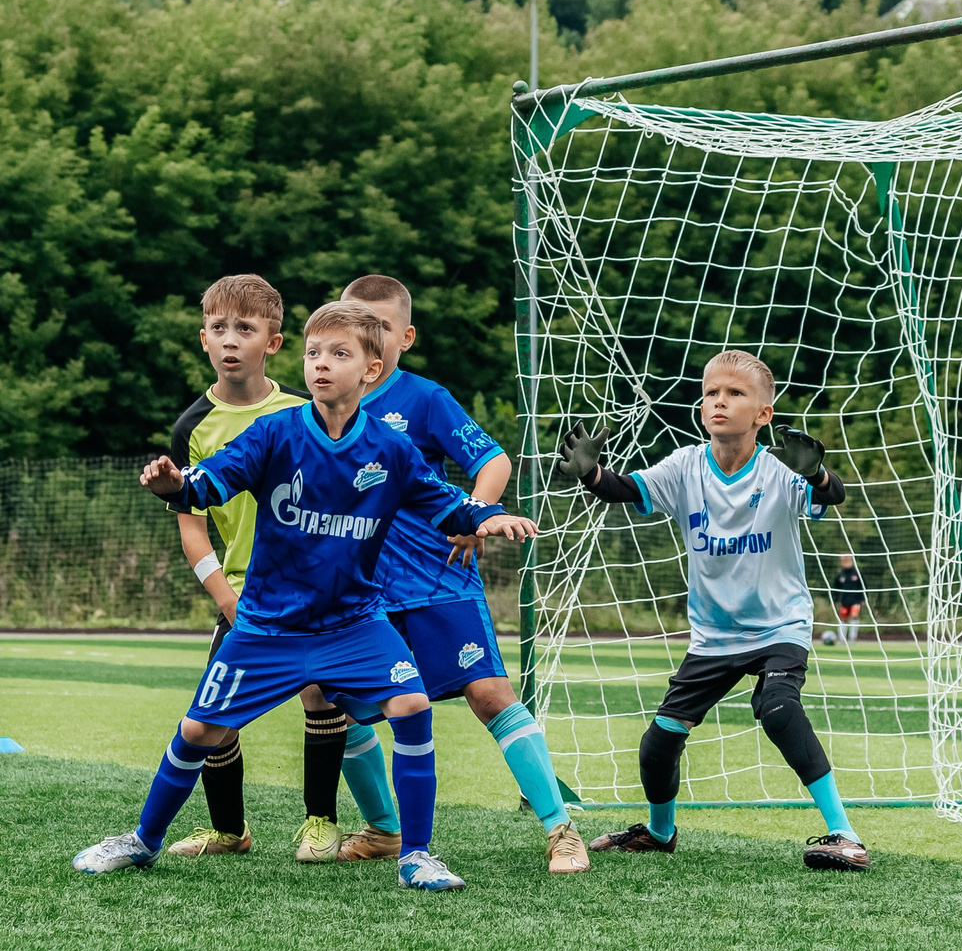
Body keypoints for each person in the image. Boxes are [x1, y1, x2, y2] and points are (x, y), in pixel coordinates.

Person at [73, 299, 540, 892]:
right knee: (198, 732)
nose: (321, 365)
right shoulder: (273, 432)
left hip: (354, 626)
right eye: (314, 353)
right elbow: (209, 483)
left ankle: (416, 855)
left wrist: (488, 517)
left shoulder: (392, 450)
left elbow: (446, 501)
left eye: (339, 354)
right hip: (269, 627)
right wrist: (175, 487)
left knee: (413, 709)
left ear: (371, 370)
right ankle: (142, 841)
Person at [558, 350, 873, 872]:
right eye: (710, 393)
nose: (719, 401)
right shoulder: (684, 467)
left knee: (777, 708)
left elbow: (832, 494)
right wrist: (590, 473)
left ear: (763, 414)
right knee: (658, 744)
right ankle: (661, 833)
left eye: (735, 393)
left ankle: (846, 835)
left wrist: (816, 474)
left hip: (779, 624)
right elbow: (622, 488)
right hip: (714, 636)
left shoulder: (779, 467)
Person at [315, 272, 587, 875]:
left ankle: (560, 829)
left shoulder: (425, 399)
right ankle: (385, 830)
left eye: (381, 327)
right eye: (354, 324)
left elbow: (492, 459)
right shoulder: (320, 407)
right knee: (340, 702)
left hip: (437, 581)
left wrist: (476, 516)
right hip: (361, 594)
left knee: (490, 695)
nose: (368, 336)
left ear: (403, 336)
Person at [162, 273, 307, 858]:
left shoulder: (306, 410)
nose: (230, 339)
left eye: (244, 329)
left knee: (334, 701)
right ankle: (229, 831)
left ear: (271, 342)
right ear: (203, 338)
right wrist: (225, 596)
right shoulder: (190, 428)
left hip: (317, 590)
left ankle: (332, 824)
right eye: (218, 328)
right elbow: (191, 530)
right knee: (214, 716)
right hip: (244, 593)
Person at [831, 553, 868, 646]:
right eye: (844, 561)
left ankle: (852, 638)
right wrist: (835, 600)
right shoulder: (840, 575)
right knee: (844, 618)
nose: (846, 562)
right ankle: (842, 638)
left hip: (856, 600)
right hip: (844, 601)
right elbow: (835, 589)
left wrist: (863, 598)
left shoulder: (857, 573)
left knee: (854, 616)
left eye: (848, 560)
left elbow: (864, 586)